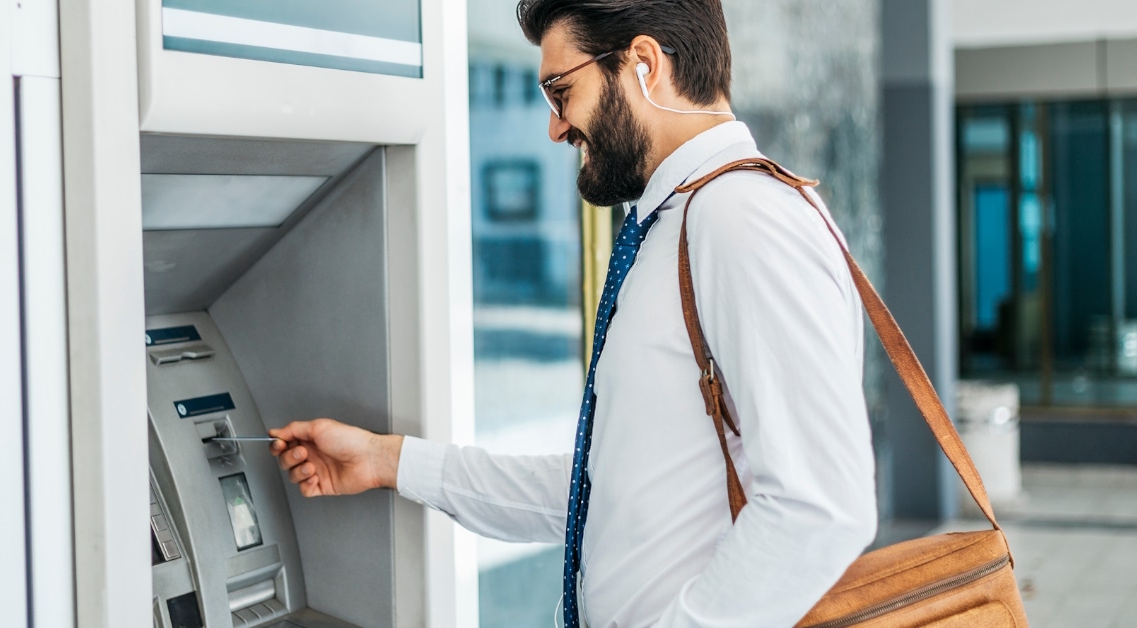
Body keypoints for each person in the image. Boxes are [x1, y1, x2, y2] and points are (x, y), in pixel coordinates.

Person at [270, 1, 877, 625]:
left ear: (643, 64)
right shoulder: (679, 222)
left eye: (561, 91)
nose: (555, 128)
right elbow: (609, 493)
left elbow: (820, 507)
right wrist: (389, 460)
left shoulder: (741, 218)